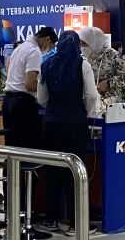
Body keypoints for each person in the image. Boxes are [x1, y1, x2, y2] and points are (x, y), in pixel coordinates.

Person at [37, 31, 99, 233]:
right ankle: (75, 222)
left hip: (52, 123)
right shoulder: (83, 65)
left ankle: (52, 219)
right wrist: (87, 114)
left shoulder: (47, 64)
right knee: (76, 173)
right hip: (74, 123)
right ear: (77, 46)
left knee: (53, 171)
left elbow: (41, 98)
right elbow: (91, 95)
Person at [2, 27, 57, 149]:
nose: (48, 51)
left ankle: (11, 169)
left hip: (9, 102)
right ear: (47, 39)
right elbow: (30, 84)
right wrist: (47, 90)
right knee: (27, 145)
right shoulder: (34, 51)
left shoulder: (20, 48)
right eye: (51, 47)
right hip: (22, 104)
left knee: (12, 146)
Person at [78, 27, 125, 102]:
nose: (82, 47)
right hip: (89, 103)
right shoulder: (83, 58)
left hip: (110, 103)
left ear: (94, 42)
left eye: (84, 44)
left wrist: (109, 83)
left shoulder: (112, 56)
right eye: (80, 44)